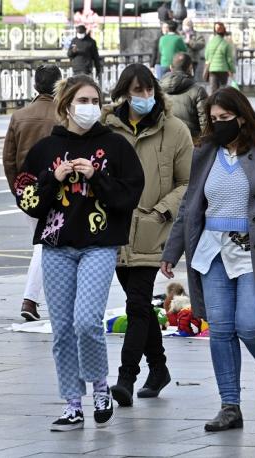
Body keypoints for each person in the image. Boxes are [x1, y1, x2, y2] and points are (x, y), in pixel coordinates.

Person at [161, 87, 255, 432]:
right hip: (212, 251)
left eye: (225, 119)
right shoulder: (206, 152)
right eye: (213, 120)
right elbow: (191, 206)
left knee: (251, 324)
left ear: (242, 116)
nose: (219, 125)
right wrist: (172, 250)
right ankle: (230, 405)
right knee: (221, 329)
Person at [14, 75, 144, 431]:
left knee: (87, 321)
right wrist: (52, 179)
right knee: (62, 330)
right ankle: (73, 403)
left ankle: (100, 385)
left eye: (95, 100)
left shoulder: (115, 146)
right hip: (56, 247)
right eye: (83, 100)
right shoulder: (45, 149)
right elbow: (27, 200)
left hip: (99, 246)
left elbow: (130, 195)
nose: (90, 107)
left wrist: (98, 177)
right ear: (66, 105)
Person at [102, 63, 193, 406]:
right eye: (137, 91)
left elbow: (188, 181)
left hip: (154, 229)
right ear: (124, 92)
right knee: (138, 304)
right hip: (115, 229)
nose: (144, 97)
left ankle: (126, 378)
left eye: (149, 90)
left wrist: (162, 210)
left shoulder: (175, 130)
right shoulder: (106, 128)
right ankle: (159, 367)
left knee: (138, 302)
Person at [2, 64, 62, 322]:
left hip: (27, 189)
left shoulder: (20, 116)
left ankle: (39, 298)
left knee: (44, 243)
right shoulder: (63, 115)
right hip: (57, 189)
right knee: (45, 244)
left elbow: (8, 159)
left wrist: (18, 190)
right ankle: (30, 299)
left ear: (35, 86)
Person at [160, 52, 209, 141]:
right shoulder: (198, 91)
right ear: (190, 68)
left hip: (164, 141)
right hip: (191, 142)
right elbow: (205, 122)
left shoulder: (157, 90)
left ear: (171, 67)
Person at [205, 22, 235, 93]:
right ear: (224, 33)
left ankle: (213, 103)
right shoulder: (226, 44)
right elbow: (229, 59)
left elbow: (206, 55)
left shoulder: (210, 43)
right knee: (222, 89)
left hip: (212, 69)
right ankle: (221, 103)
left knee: (213, 90)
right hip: (223, 70)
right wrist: (232, 70)